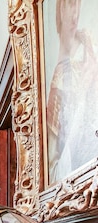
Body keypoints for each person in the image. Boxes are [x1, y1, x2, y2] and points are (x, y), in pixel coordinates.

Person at [46, 0, 98, 183]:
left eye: (77, 4)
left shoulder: (91, 46)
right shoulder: (58, 81)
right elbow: (52, 173)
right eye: (69, 4)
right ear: (60, 9)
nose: (74, 13)